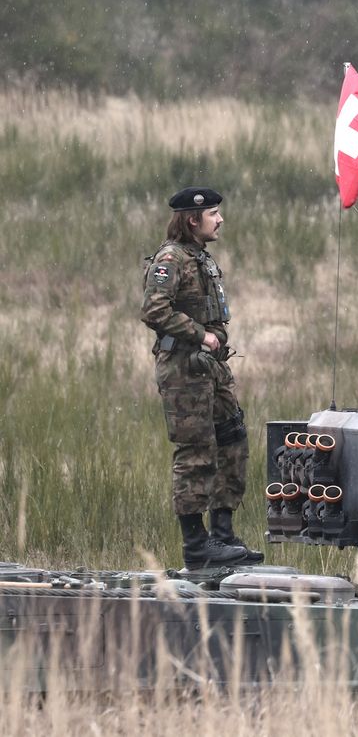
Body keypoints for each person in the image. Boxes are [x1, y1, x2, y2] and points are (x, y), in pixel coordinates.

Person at [140, 186, 260, 569]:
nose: (220, 219)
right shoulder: (171, 259)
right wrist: (200, 334)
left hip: (211, 368)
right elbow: (154, 310)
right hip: (184, 369)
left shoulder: (200, 257)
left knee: (233, 438)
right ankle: (196, 546)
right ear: (192, 220)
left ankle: (222, 534)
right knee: (196, 453)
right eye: (213, 214)